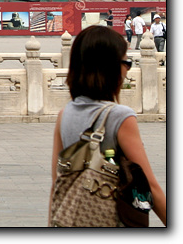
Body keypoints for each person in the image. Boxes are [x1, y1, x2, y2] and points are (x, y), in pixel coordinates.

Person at [48, 25, 166, 226]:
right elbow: (149, 186)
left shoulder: (64, 114)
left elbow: (57, 184)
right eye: (126, 62)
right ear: (109, 67)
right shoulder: (120, 117)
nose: (127, 69)